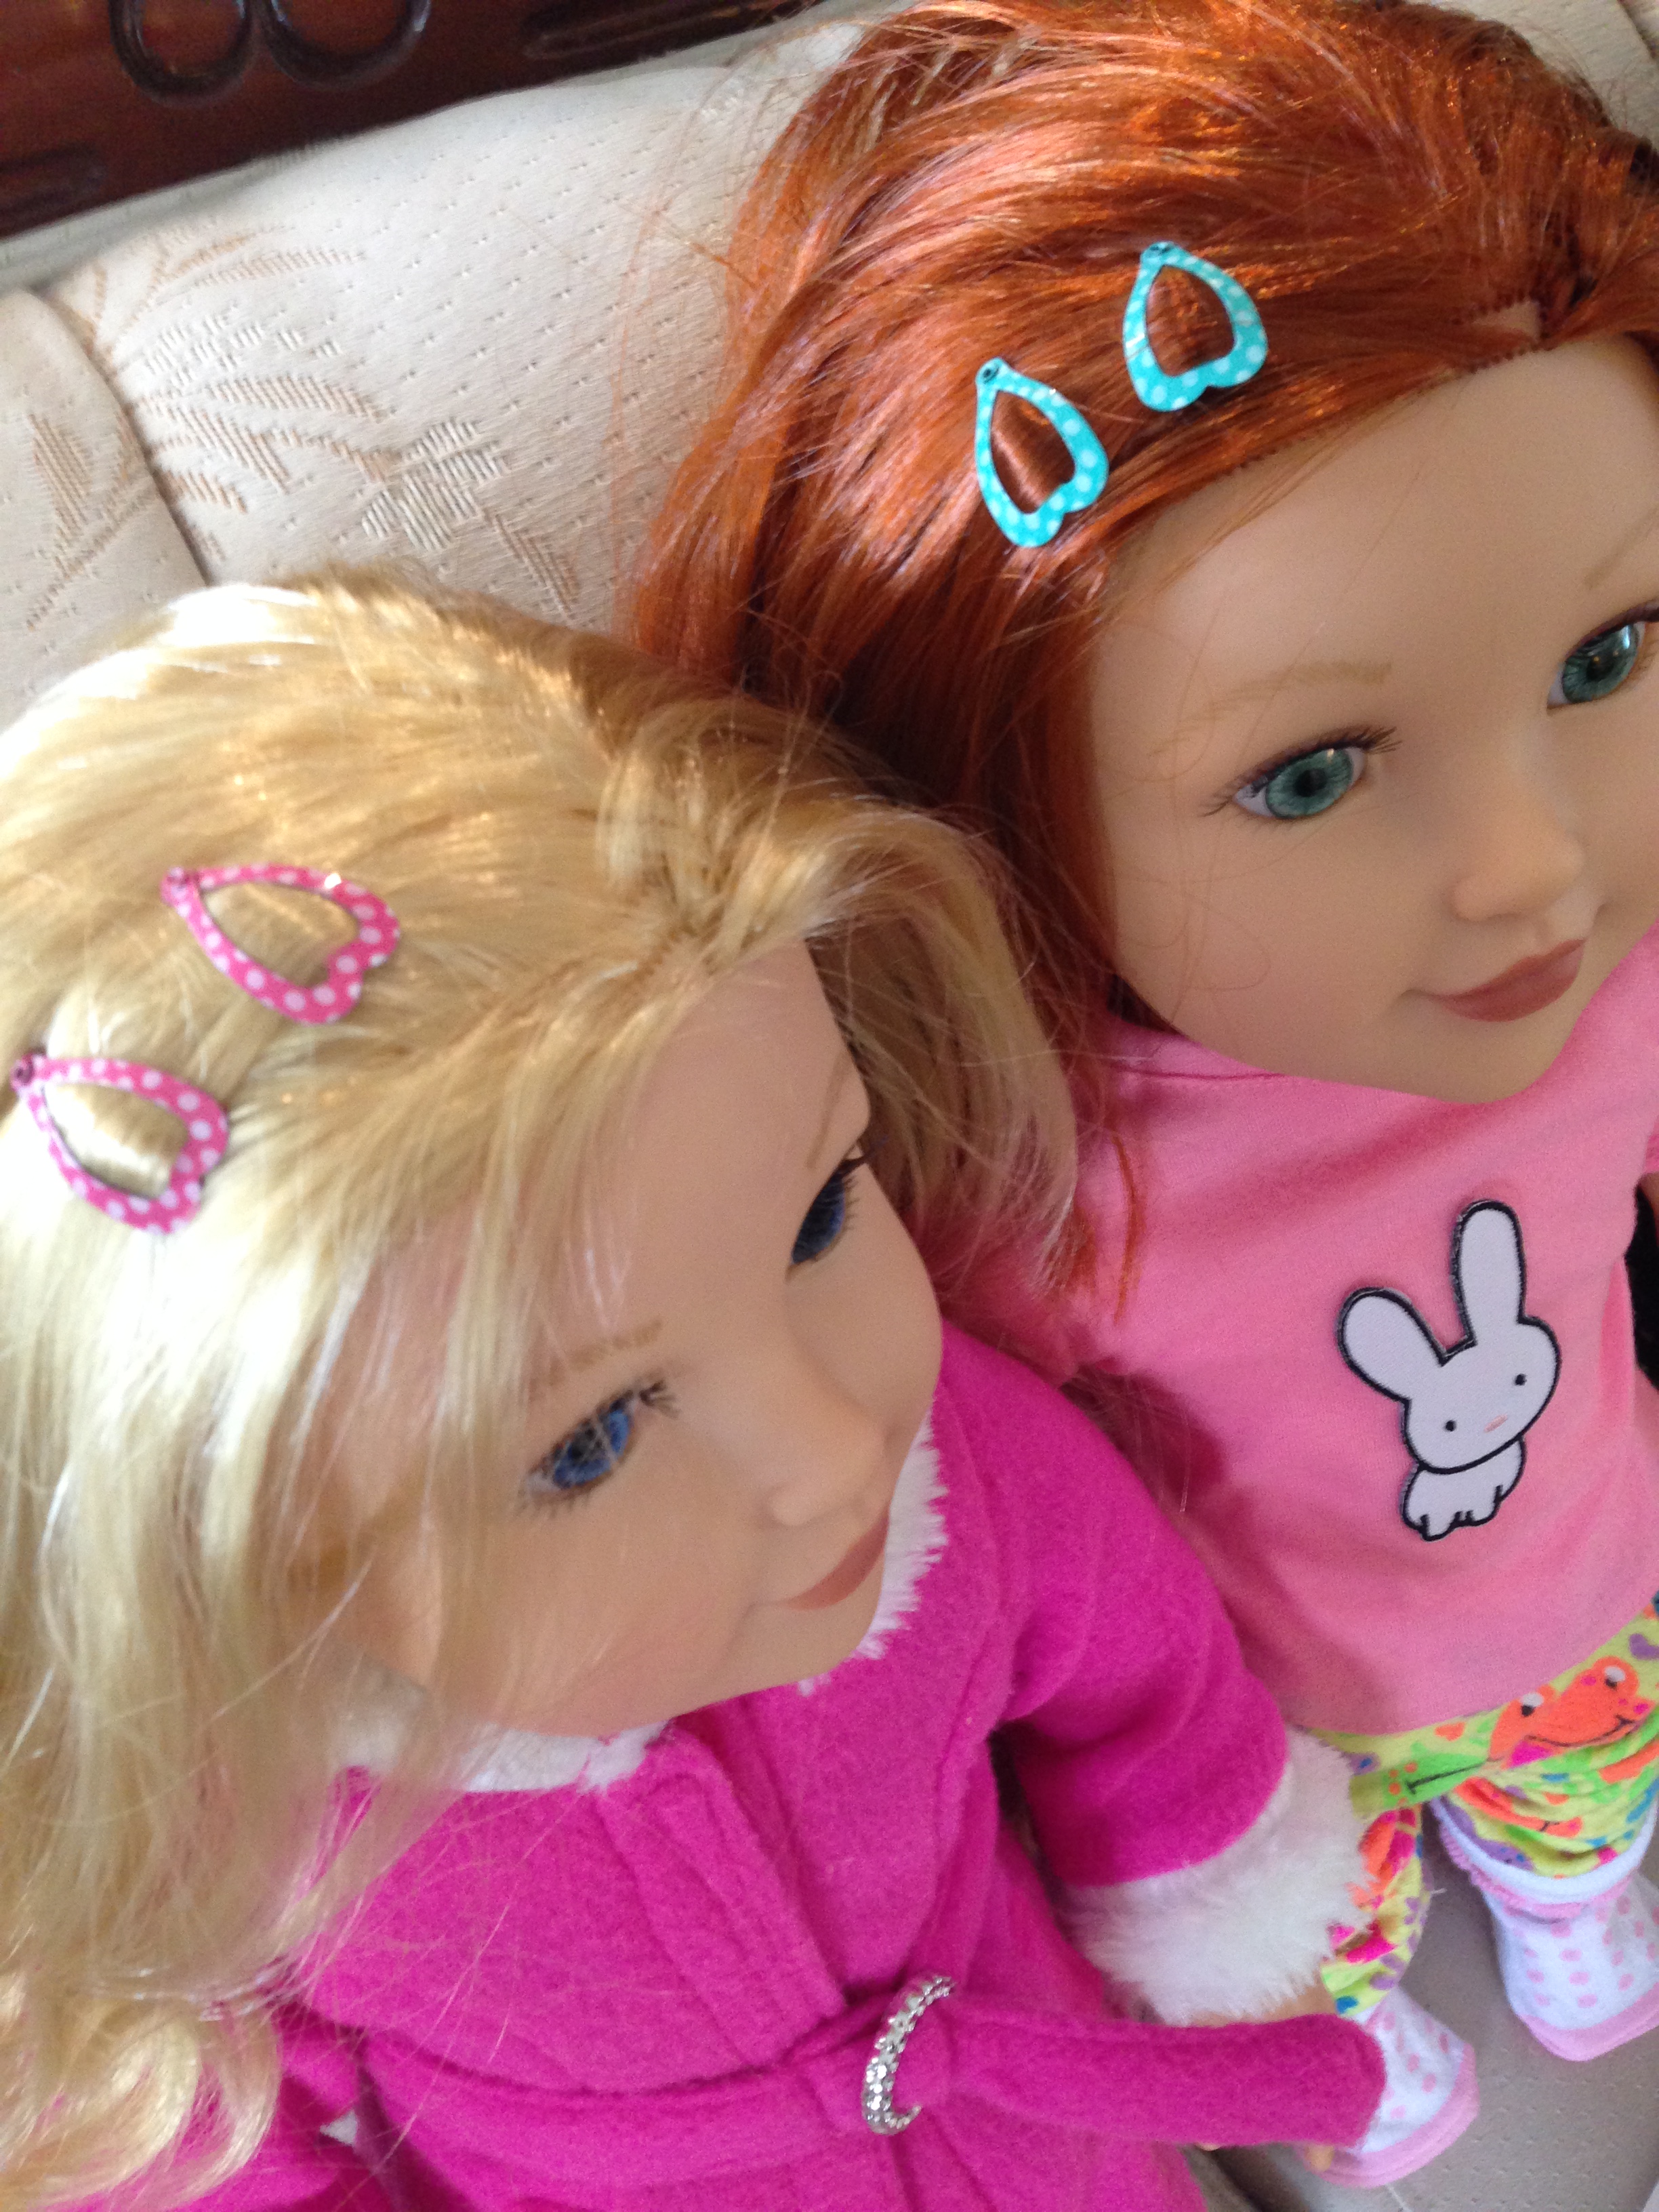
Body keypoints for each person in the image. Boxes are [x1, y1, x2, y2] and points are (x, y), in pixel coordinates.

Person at [0, 572, 1379, 2212]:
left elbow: (1136, 1668)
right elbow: (197, 2143)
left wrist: (1207, 1897)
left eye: (818, 1215)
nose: (835, 1453)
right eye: (585, 1440)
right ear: (231, 1559)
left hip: (1056, 2138)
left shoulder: (963, 1480)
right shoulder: (224, 1829)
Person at [630, 0, 1659, 2181]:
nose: (1536, 869)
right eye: (1309, 773)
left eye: (1611, 656)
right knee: (1313, 1941)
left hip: (1593, 1588)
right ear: (994, 805)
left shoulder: (1623, 981)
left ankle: (1572, 1901)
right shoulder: (1040, 1181)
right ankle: (1361, 2030)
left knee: (1588, 1804)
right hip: (1260, 1718)